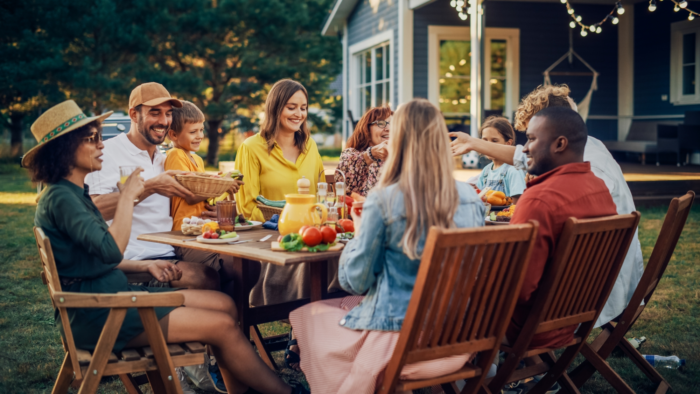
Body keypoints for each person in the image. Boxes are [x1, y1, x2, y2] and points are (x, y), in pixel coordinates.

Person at [27, 100, 307, 394]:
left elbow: (93, 258)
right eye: (91, 139)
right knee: (221, 326)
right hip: (101, 316)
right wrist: (128, 197)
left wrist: (143, 266)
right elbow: (111, 251)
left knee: (225, 304)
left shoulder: (72, 194)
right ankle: (282, 392)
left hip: (114, 299)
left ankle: (242, 389)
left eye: (99, 136)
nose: (101, 145)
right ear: (64, 150)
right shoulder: (62, 199)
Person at [289, 99, 486, 394]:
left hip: (404, 344)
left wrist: (359, 234)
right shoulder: (472, 198)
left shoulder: (385, 200)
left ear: (398, 141)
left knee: (311, 318)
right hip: (459, 338)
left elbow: (355, 281)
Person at [450, 84, 644, 328]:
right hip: (590, 283)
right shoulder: (587, 154)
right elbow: (522, 157)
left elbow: (521, 288)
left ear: (558, 136)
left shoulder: (555, 195)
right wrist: (474, 144)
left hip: (573, 299)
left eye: (532, 137)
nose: (526, 148)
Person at [86, 83, 220, 291]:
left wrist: (208, 210)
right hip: (133, 262)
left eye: (168, 114)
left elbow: (180, 207)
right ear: (133, 114)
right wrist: (150, 187)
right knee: (206, 277)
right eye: (155, 113)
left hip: (175, 251)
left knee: (237, 269)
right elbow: (95, 210)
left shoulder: (165, 158)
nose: (164, 121)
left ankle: (234, 322)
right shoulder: (107, 153)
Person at [507, 106, 618, 349]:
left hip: (527, 328)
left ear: (559, 144)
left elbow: (516, 289)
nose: (524, 148)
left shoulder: (540, 200)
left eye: (532, 139)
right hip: (572, 321)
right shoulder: (600, 189)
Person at [235, 79, 330, 307]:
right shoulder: (251, 147)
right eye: (291, 107)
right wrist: (286, 226)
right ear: (276, 108)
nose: (299, 113)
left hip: (310, 237)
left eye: (303, 108)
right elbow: (248, 207)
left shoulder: (311, 146)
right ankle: (304, 328)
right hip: (270, 240)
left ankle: (319, 325)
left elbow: (322, 194)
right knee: (311, 264)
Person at [165, 101, 242, 232]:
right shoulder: (176, 155)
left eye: (201, 130)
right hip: (184, 230)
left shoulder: (197, 159)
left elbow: (204, 192)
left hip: (203, 227)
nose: (200, 136)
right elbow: (190, 196)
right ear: (173, 135)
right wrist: (223, 184)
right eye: (193, 132)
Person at [336, 106, 392, 197]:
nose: (389, 128)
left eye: (392, 123)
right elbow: (344, 189)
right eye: (381, 123)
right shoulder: (350, 155)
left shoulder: (398, 158)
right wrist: (371, 154)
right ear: (366, 130)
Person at [475, 116, 526, 204]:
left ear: (508, 143)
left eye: (494, 141)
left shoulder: (514, 170)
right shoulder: (485, 171)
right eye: (485, 140)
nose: (488, 145)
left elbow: (518, 205)